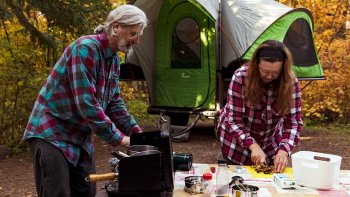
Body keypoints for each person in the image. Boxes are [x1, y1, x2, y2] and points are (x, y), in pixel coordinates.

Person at [23, 5, 148, 197]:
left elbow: (114, 102)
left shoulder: (114, 59)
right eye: (133, 33)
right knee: (58, 192)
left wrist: (138, 135)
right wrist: (120, 138)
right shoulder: (85, 48)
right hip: (51, 132)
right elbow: (86, 103)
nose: (137, 41)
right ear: (116, 27)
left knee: (86, 191)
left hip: (79, 136)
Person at [217, 40, 302, 173]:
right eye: (265, 71)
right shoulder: (240, 77)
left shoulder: (290, 82)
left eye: (275, 73)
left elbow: (293, 123)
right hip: (235, 145)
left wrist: (284, 150)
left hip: (270, 142)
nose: (270, 76)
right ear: (257, 64)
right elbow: (233, 120)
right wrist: (252, 145)